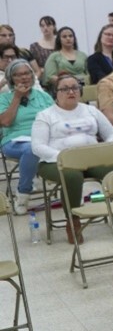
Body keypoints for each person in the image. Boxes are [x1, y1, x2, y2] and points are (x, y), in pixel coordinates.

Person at [31, 73, 113, 244]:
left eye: (74, 88)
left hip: (92, 158)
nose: (71, 92)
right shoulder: (45, 115)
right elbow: (37, 146)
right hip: (56, 162)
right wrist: (66, 157)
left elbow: (111, 134)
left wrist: (107, 148)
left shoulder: (91, 110)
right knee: (72, 176)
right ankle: (73, 220)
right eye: (65, 89)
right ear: (55, 93)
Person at [0, 59, 53, 215]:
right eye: (18, 75)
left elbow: (55, 118)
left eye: (27, 73)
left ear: (32, 75)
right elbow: (6, 122)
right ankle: (23, 194)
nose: (24, 78)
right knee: (32, 149)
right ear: (11, 79)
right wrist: (17, 98)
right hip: (14, 140)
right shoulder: (4, 98)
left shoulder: (43, 96)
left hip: (44, 138)